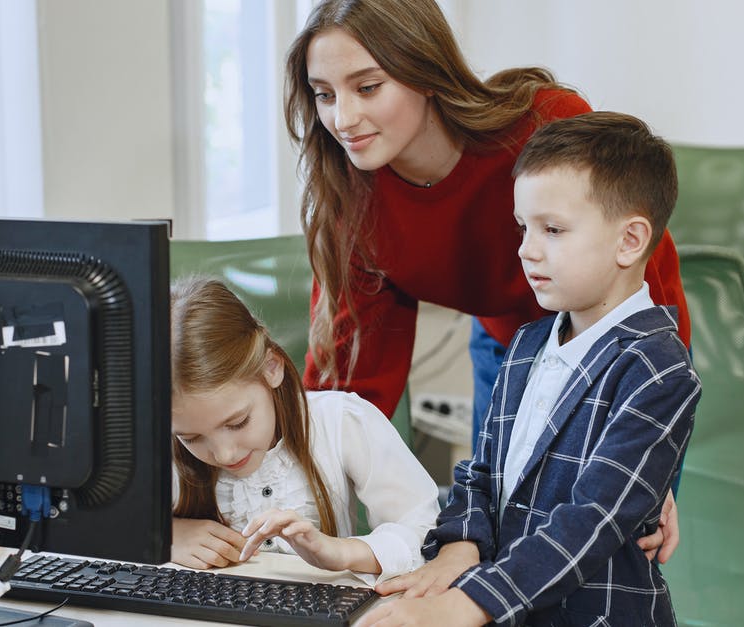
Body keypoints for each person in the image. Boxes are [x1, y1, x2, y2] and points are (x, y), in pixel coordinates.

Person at [284, 0, 686, 563]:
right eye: (324, 94)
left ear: (424, 70)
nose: (342, 117)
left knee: (612, 558)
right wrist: (290, 484)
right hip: (510, 350)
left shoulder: (541, 124)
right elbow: (350, 382)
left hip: (618, 355)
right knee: (502, 549)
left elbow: (647, 272)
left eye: (368, 87)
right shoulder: (354, 199)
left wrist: (652, 447)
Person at [358, 111, 701, 626]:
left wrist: (465, 603)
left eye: (553, 229)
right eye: (523, 227)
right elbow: (481, 470)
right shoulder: (526, 343)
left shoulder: (658, 371)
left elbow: (590, 522)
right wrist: (461, 545)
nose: (526, 248)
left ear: (629, 241)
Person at [168, 276, 441, 585]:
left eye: (238, 422)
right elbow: (105, 527)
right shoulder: (160, 437)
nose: (224, 453)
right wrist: (167, 536)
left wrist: (342, 552)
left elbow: (426, 531)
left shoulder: (341, 419)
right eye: (191, 437)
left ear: (271, 368)